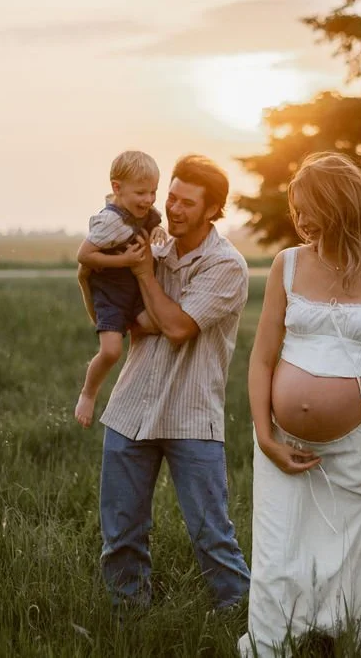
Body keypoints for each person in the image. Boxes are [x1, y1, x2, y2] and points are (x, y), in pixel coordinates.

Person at [240, 152, 361, 656]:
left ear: (338, 205)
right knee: (277, 554)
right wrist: (264, 435)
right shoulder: (288, 264)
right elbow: (261, 360)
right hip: (281, 440)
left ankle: (330, 642)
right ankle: (268, 649)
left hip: (356, 443)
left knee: (343, 554)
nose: (299, 221)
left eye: (307, 208)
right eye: (294, 210)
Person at [93, 153, 251, 611]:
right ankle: (130, 623)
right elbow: (121, 317)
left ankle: (245, 626)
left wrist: (144, 280)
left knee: (212, 537)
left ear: (212, 209)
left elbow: (179, 328)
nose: (174, 209)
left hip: (191, 415)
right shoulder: (153, 247)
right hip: (130, 409)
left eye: (187, 203)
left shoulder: (226, 265)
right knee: (121, 535)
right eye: (172, 198)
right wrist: (115, 292)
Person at [74, 150, 167, 428]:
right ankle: (88, 393)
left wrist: (158, 231)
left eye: (153, 192)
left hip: (133, 290)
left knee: (153, 325)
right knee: (112, 351)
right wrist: (123, 260)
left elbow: (153, 222)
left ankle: (125, 328)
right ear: (117, 188)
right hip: (111, 295)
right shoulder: (109, 221)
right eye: (141, 192)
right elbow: (84, 256)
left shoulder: (143, 211)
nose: (148, 200)